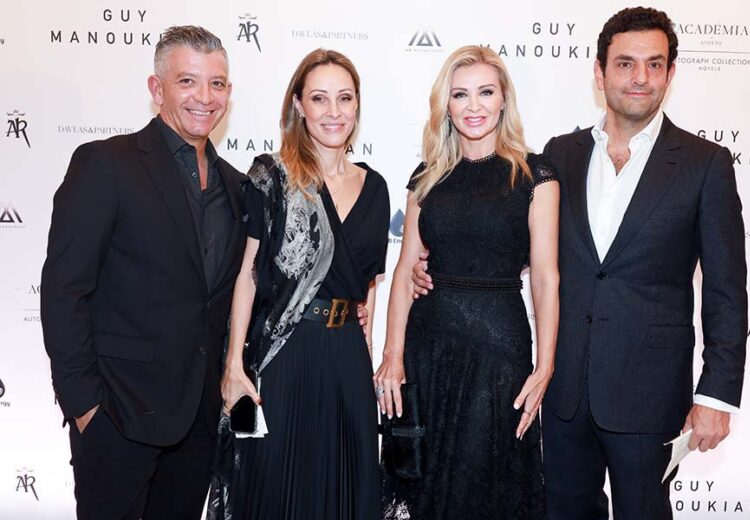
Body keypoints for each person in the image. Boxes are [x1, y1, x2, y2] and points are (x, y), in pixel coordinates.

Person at [413, 7, 748, 519]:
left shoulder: (705, 164)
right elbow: (514, 243)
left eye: (655, 64)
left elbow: (726, 289)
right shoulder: (559, 156)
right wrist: (435, 268)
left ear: (671, 74)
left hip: (649, 395)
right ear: (599, 72)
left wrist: (716, 396)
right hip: (562, 391)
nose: (640, 77)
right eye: (625, 63)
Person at [40, 26, 245, 519]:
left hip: (197, 421)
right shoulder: (106, 165)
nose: (205, 97)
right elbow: (64, 291)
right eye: (187, 81)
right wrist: (86, 408)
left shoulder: (238, 188)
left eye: (217, 83)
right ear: (157, 89)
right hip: (118, 416)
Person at [376, 45, 560, 519]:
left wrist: (545, 366)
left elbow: (545, 278)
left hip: (500, 350)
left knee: (488, 486)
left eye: (485, 92)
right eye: (460, 95)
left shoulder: (535, 175)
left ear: (504, 100)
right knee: (429, 486)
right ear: (446, 105)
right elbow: (405, 271)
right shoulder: (427, 177)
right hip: (429, 348)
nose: (473, 106)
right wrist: (393, 355)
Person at [209, 49, 390, 520]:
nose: (334, 112)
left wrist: (367, 341)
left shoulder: (375, 187)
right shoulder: (273, 176)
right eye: (319, 98)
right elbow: (249, 275)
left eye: (344, 98)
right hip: (283, 356)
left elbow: (368, 281)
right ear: (298, 105)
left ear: (357, 104)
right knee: (274, 485)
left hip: (346, 358)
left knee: (345, 486)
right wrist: (234, 366)